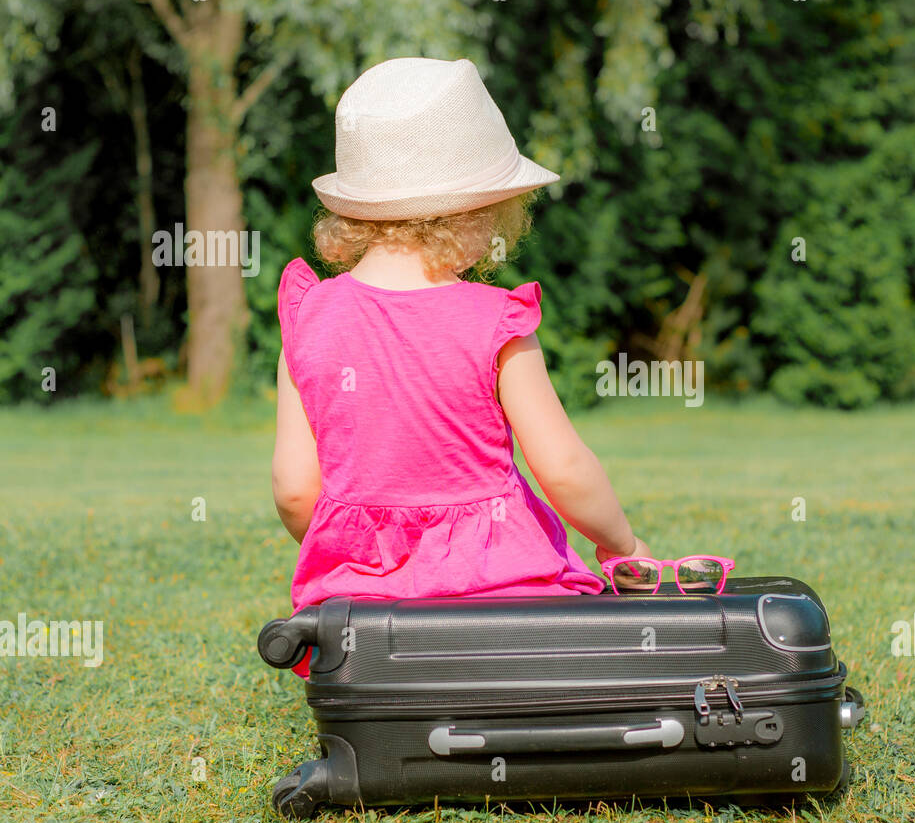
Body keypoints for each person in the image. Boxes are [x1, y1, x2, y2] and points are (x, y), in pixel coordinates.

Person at [272, 57, 651, 677]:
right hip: (505, 611)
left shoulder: (308, 315)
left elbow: (294, 487)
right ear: (477, 216)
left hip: (360, 623)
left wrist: (358, 558)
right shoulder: (496, 321)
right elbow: (563, 468)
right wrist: (622, 546)